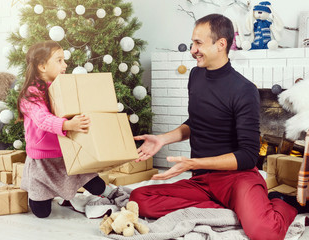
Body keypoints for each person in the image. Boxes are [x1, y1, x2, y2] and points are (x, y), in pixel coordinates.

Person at [129, 14, 297, 240]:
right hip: (202, 181)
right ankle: (235, 209)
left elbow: (248, 156)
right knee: (140, 199)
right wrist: (163, 139)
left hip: (237, 179)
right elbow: (196, 123)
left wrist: (194, 162)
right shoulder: (195, 76)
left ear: (221, 44)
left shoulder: (243, 90)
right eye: (192, 43)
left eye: (199, 43)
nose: (192, 49)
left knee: (265, 232)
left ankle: (282, 203)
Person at [18, 40, 114, 218]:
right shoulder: (31, 94)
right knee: (41, 212)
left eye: (64, 60)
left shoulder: (62, 87)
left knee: (99, 187)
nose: (65, 65)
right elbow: (42, 119)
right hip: (43, 160)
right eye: (59, 60)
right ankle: (43, 194)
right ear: (42, 66)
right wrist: (67, 124)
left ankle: (72, 194)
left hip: (67, 154)